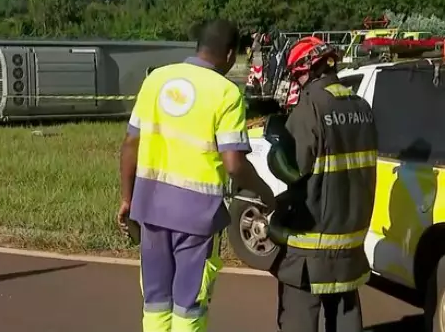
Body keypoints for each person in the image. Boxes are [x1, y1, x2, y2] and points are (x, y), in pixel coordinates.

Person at [118, 19, 276, 332]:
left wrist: (127, 199)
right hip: (197, 219)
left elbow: (130, 144)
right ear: (231, 55)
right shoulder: (226, 94)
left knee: (155, 303)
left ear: (198, 47)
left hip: (149, 210)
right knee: (188, 307)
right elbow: (233, 164)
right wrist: (263, 192)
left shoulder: (156, 80)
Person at [271, 37, 378, 332]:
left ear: (311, 68)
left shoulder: (311, 106)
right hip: (350, 242)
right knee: (345, 314)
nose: (297, 80)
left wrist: (276, 150)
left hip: (311, 243)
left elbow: (294, 168)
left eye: (297, 73)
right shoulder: (362, 106)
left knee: (298, 315)